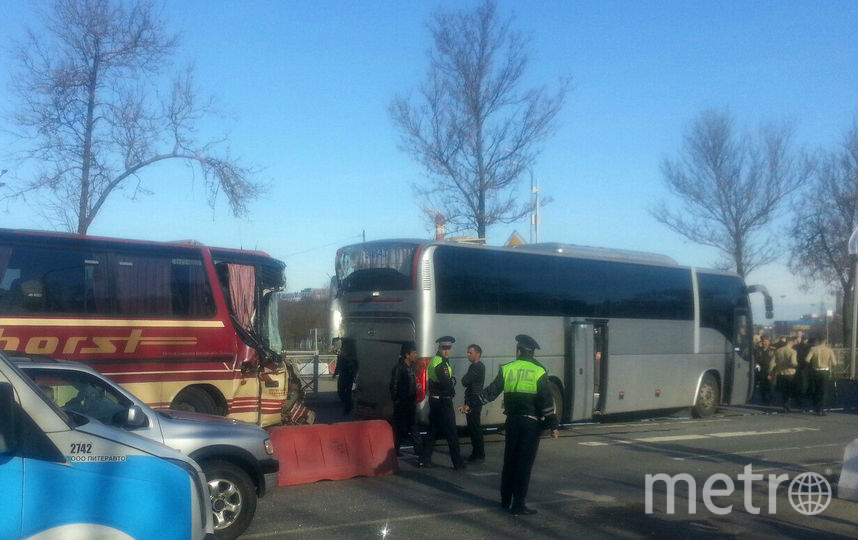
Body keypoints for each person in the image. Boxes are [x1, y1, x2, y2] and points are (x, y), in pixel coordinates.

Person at [466, 334, 559, 516]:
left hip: (512, 422)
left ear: (518, 351)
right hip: (531, 424)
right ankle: (518, 505)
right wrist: (552, 425)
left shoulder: (507, 369)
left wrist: (472, 403)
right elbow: (546, 401)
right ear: (532, 353)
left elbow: (491, 392)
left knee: (509, 461)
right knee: (524, 464)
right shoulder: (539, 371)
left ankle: (505, 500)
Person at [418, 336, 466, 470]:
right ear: (439, 348)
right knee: (452, 433)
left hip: (435, 400)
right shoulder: (441, 364)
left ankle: (424, 460)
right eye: (444, 348)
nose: (446, 351)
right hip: (443, 402)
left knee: (432, 431)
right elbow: (446, 384)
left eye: (448, 348)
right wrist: (453, 380)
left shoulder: (436, 360)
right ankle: (458, 463)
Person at [389, 342, 423, 457]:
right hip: (402, 403)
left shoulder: (410, 368)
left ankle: (419, 451)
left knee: (414, 427)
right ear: (407, 355)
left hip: (411, 403)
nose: (415, 355)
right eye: (414, 353)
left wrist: (416, 387)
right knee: (399, 428)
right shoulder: (399, 368)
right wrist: (397, 401)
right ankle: (395, 450)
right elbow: (393, 386)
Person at [459, 344, 485, 463]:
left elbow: (465, 381)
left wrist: (465, 379)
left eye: (470, 352)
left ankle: (478, 454)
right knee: (474, 427)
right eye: (468, 352)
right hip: (474, 400)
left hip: (473, 401)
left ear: (478, 354)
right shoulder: (478, 366)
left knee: (475, 428)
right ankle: (477, 453)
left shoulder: (476, 367)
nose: (468, 355)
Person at [805, 336, 838, 415]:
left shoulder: (813, 349)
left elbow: (807, 359)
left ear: (818, 341)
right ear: (825, 341)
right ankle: (821, 409)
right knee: (823, 391)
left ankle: (816, 407)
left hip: (815, 371)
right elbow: (834, 363)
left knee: (816, 390)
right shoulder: (829, 350)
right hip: (825, 371)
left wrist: (813, 363)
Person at [771, 336, 797, 412]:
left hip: (780, 373)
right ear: (790, 342)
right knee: (789, 391)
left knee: (784, 391)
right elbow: (793, 363)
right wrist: (796, 365)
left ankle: (784, 406)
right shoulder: (793, 351)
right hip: (790, 373)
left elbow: (772, 363)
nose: (794, 344)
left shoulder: (778, 351)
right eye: (793, 342)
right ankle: (788, 406)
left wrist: (770, 372)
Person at [333, 338, 357, 415]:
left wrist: (335, 373)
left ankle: (347, 407)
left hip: (346, 375)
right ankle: (348, 405)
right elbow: (339, 365)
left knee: (343, 391)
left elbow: (339, 365)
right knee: (345, 392)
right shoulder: (348, 354)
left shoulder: (348, 355)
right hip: (346, 375)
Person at [754, 335, 776, 405]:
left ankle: (770, 400)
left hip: (770, 370)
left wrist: (771, 372)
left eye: (766, 341)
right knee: (762, 386)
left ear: (769, 342)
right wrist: (757, 369)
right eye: (763, 341)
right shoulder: (758, 350)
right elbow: (756, 360)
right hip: (761, 370)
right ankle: (763, 399)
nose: (765, 343)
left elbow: (775, 361)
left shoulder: (773, 350)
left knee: (770, 386)